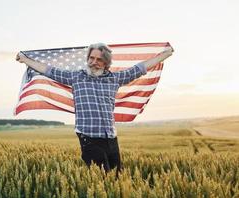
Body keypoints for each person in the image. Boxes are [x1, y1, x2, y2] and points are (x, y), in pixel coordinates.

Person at [16, 43, 173, 174]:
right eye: (91, 58)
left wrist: (165, 54)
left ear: (106, 63)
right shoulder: (75, 77)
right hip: (89, 138)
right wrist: (25, 60)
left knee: (117, 176)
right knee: (100, 177)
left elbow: (140, 68)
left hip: (111, 138)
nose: (94, 62)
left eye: (99, 59)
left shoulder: (115, 78)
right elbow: (47, 70)